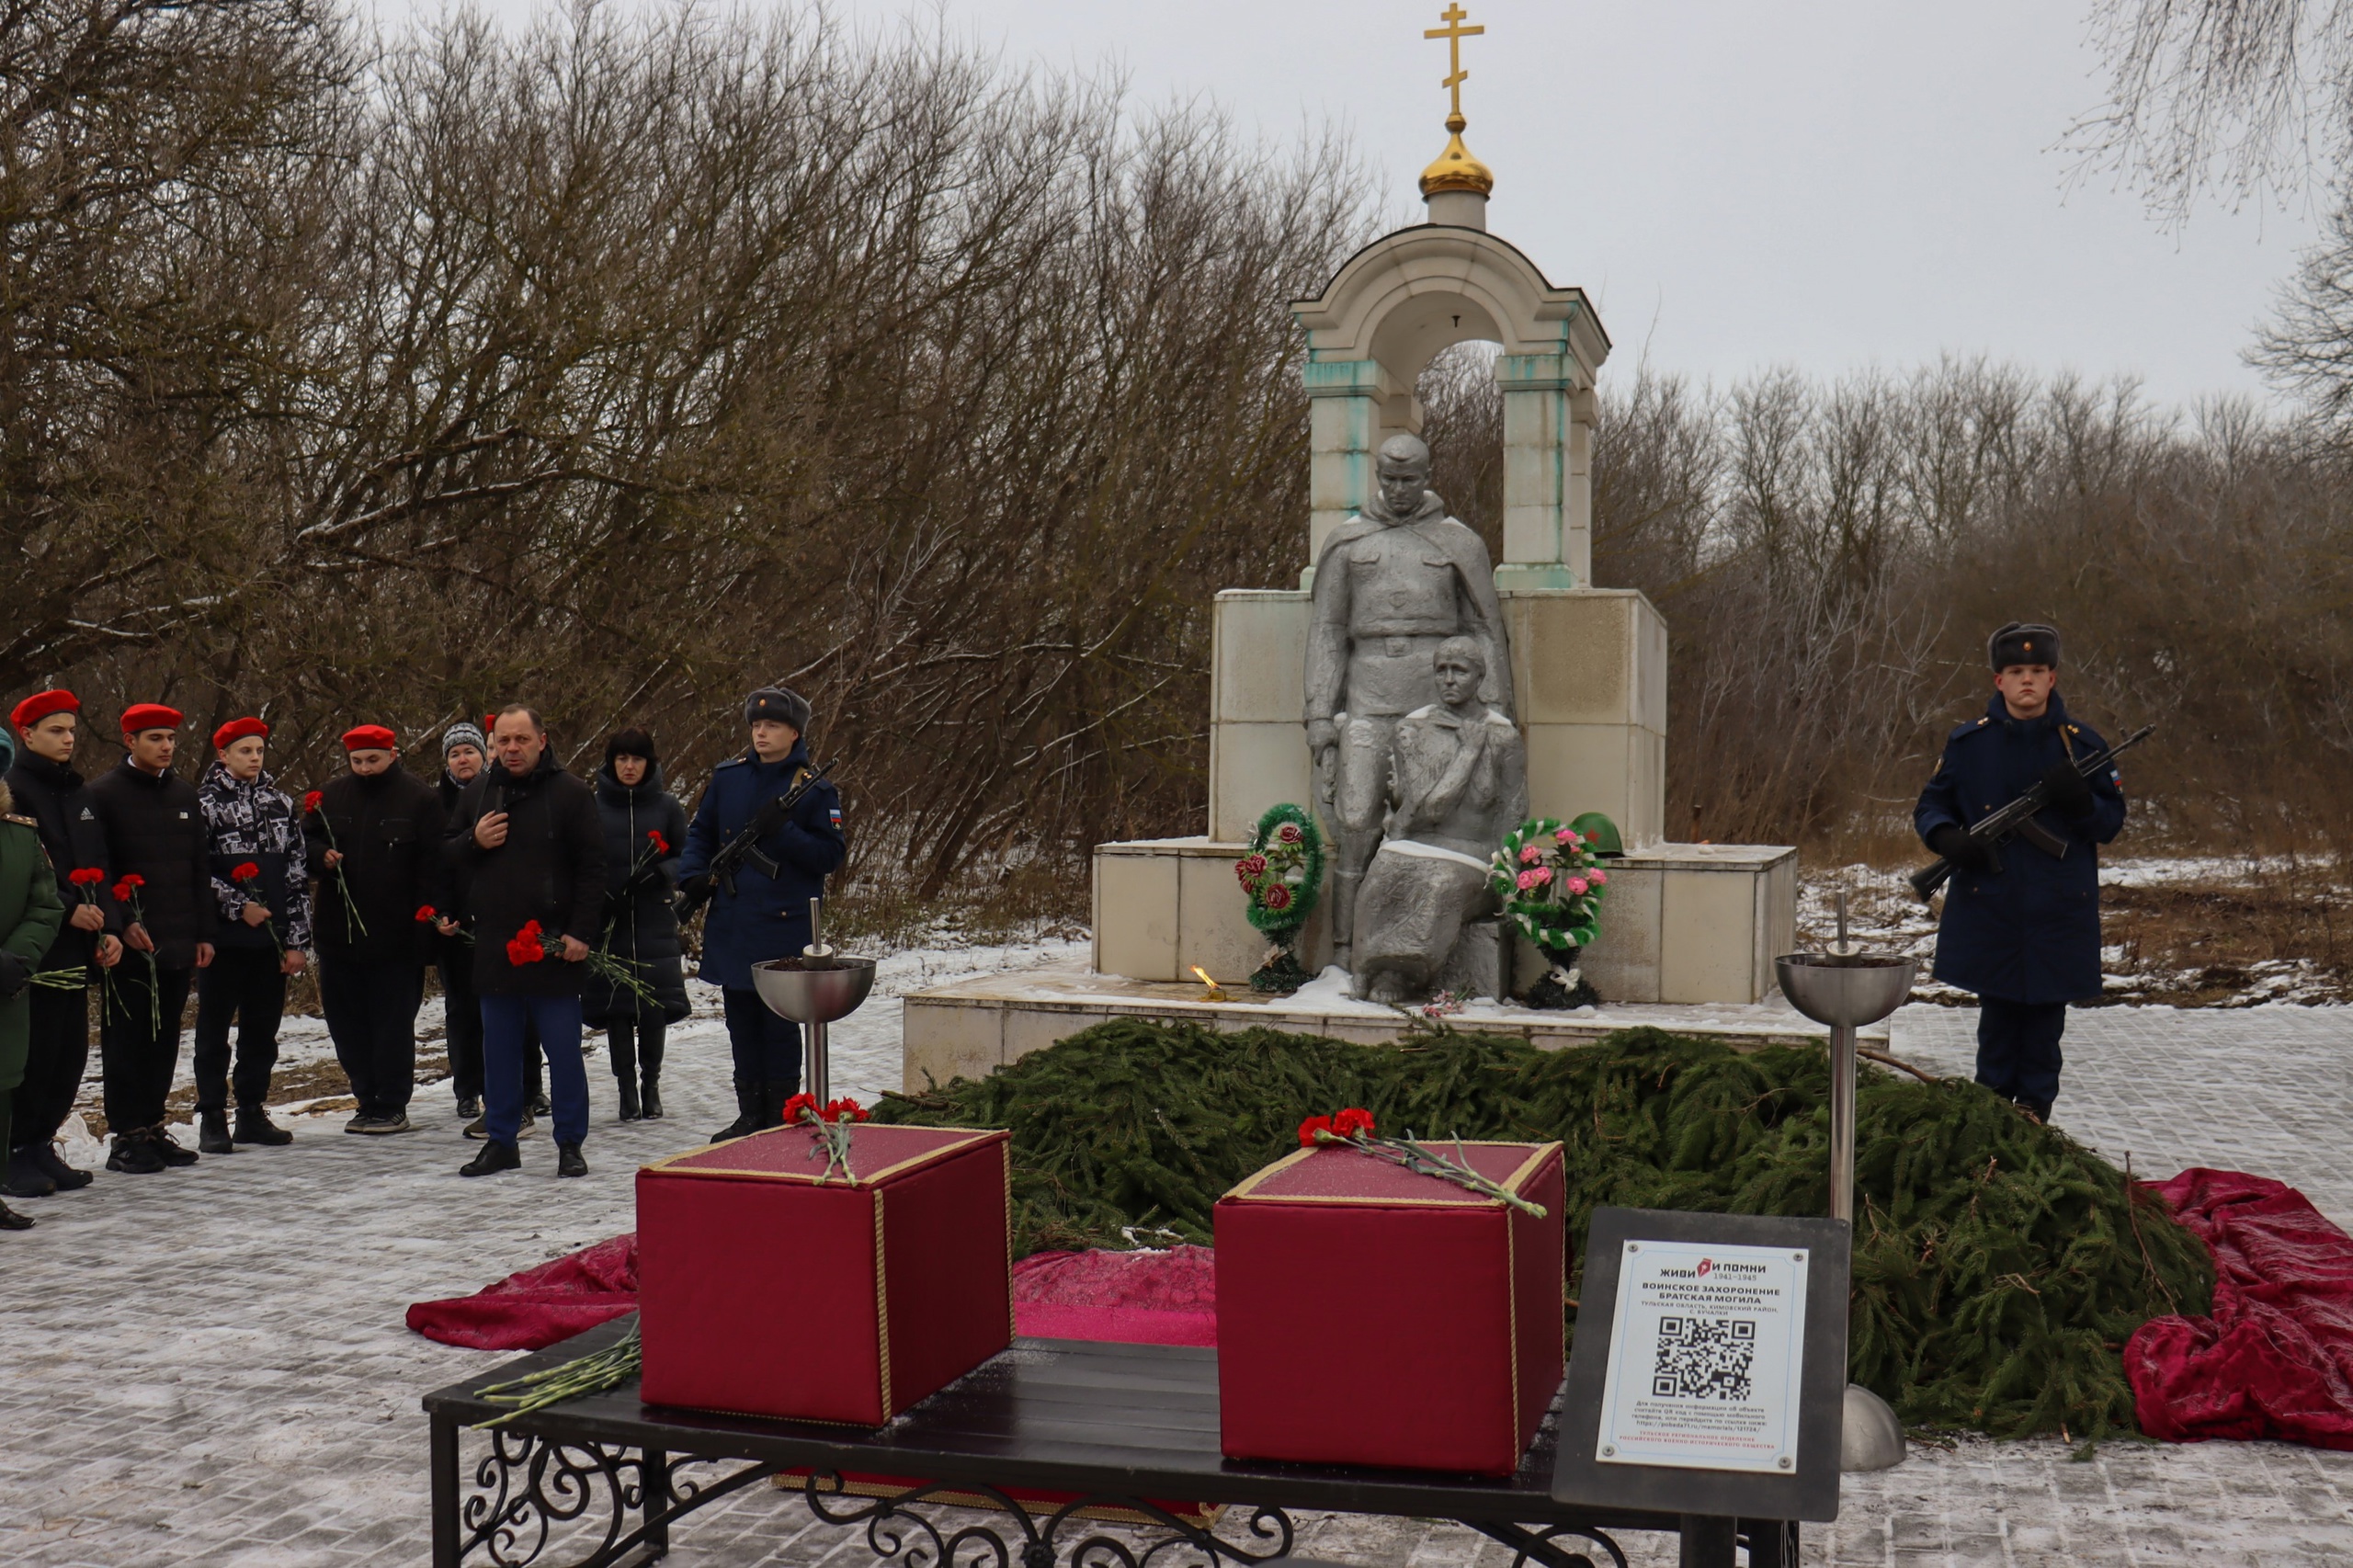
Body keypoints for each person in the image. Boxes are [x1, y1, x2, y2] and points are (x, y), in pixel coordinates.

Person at [1304, 433, 1512, 967]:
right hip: (1367, 694)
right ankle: (1347, 953)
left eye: (1409, 479)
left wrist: (1495, 710)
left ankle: (1419, 950)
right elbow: (1327, 631)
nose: (1398, 490)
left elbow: (1485, 628)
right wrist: (1319, 715)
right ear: (1378, 477)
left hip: (1438, 700)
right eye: (1389, 479)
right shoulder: (1347, 540)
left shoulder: (1456, 541)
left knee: (1430, 826)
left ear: (1426, 477)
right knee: (1355, 823)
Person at [1914, 622, 2128, 1123]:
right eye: (2015, 671)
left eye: (2036, 671)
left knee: (2044, 1030)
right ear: (1998, 681)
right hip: (1992, 903)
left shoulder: (2082, 746)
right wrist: (1947, 838)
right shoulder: (1969, 745)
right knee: (1998, 1024)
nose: (2026, 680)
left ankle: (2034, 1117)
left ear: (2052, 679)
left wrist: (2080, 801)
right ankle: (1990, 1118)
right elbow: (1931, 805)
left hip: (2057, 909)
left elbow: (2110, 822)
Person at [676, 687, 845, 1142]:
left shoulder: (814, 788)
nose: (761, 732)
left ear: (794, 732)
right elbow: (702, 833)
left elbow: (830, 856)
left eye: (771, 725)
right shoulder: (728, 778)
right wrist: (692, 875)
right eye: (756, 725)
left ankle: (783, 1115)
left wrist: (784, 832)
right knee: (742, 1023)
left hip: (784, 926)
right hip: (734, 921)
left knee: (779, 1028)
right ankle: (749, 1114)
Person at [445, 706, 604, 1177]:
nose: (512, 749)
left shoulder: (572, 794)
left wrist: (580, 932)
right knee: (499, 1052)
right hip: (495, 944)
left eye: (521, 740)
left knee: (562, 1051)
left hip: (555, 945)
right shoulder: (478, 792)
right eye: (504, 741)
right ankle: (501, 1141)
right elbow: (446, 854)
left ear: (542, 740)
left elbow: (594, 869)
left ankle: (570, 1143)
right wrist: (473, 840)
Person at [86, 703, 216, 1173]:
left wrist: (204, 931)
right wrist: (118, 923)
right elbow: (99, 868)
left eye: (170, 739)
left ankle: (153, 1124)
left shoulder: (184, 793)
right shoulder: (102, 794)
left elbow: (198, 867)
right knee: (127, 1038)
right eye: (154, 738)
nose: (165, 747)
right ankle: (126, 1134)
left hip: (179, 938)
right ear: (130, 741)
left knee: (164, 1038)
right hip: (129, 943)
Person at [3, 690, 122, 1198]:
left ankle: (40, 1142)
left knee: (69, 1054)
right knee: (35, 1053)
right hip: (40, 946)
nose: (68, 738)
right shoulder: (16, 788)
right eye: (56, 730)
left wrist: (109, 925)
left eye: (72, 729)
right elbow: (39, 866)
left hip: (81, 941)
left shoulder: (79, 792)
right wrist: (70, 906)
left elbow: (100, 862)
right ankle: (14, 1149)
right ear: (27, 734)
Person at [309, 724, 446, 1135]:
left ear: (393, 754)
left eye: (373, 759)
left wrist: (426, 935)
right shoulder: (331, 797)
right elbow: (304, 844)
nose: (365, 768)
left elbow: (432, 870)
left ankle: (391, 1102)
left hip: (395, 938)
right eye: (357, 761)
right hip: (339, 935)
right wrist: (322, 857)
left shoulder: (420, 798)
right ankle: (365, 1098)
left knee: (391, 1025)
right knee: (347, 1024)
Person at [190, 718, 310, 1153]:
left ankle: (252, 1112)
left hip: (271, 941)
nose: (254, 758)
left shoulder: (280, 803)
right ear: (223, 754)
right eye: (244, 751)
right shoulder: (202, 803)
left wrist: (297, 940)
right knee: (213, 1029)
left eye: (259, 750)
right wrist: (239, 906)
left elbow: (296, 874)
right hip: (222, 939)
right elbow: (195, 870)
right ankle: (212, 1115)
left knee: (262, 1030)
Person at [585, 729, 688, 1120]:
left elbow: (688, 856)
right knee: (617, 1009)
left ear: (650, 764)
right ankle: (625, 1088)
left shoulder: (667, 807)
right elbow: (579, 858)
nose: (629, 767)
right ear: (611, 762)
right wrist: (599, 891)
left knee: (652, 1006)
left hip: (653, 920)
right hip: (607, 922)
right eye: (622, 758)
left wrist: (660, 872)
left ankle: (651, 1084)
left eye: (638, 759)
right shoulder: (592, 806)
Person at [0, 779, 65, 1229]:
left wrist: (16, 959)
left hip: (5, 985)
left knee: (1, 1090)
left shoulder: (22, 836)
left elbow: (45, 906)